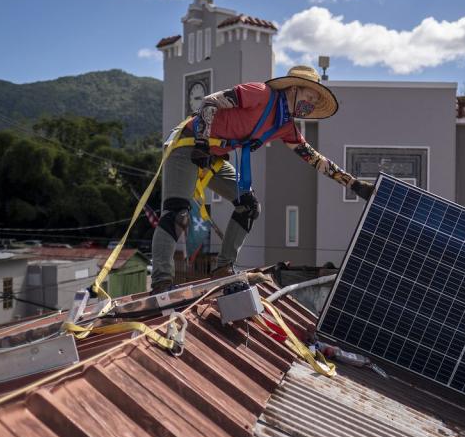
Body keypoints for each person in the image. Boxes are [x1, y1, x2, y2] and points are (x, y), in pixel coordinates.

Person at [151, 66, 374, 293]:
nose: (310, 105)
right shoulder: (260, 93)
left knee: (249, 206)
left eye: (314, 102)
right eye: (309, 97)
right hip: (189, 143)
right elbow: (210, 102)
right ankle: (161, 282)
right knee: (177, 212)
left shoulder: (284, 126)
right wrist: (201, 140)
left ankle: (224, 268)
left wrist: (355, 185)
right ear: (294, 88)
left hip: (211, 157)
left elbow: (315, 159)